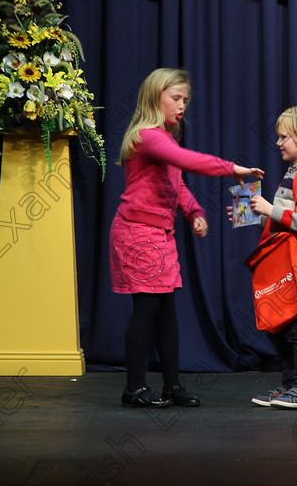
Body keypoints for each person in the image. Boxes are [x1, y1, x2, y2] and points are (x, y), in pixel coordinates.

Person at [111, 68, 263, 408]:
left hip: (160, 235)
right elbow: (186, 161)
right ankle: (133, 388)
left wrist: (194, 212)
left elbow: (175, 184)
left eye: (185, 100)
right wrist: (231, 168)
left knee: (167, 313)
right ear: (155, 98)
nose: (182, 106)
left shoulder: (166, 139)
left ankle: (171, 386)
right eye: (176, 99)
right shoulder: (148, 136)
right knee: (146, 310)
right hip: (137, 232)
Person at [242, 106, 297, 409]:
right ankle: (290, 386)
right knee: (284, 327)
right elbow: (283, 219)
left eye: (284, 137)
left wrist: (268, 208)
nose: (278, 143)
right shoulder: (294, 172)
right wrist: (253, 213)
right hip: (288, 262)